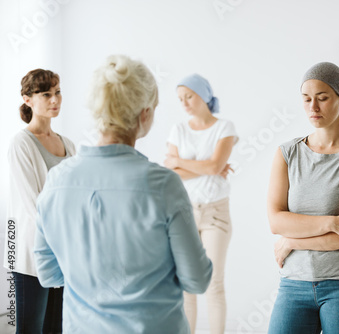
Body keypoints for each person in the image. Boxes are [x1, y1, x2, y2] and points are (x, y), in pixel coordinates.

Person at [33, 55, 213, 333]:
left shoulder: (56, 181)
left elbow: (48, 274)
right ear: (145, 114)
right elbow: (197, 280)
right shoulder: (163, 185)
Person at [267, 62, 339, 334]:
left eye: (322, 98)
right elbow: (276, 221)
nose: (313, 107)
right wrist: (332, 222)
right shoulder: (287, 154)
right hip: (294, 283)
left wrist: (291, 241)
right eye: (306, 99)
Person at [164, 73, 238, 334]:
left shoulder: (224, 127)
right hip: (183, 213)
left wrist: (181, 162)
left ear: (204, 96)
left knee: (214, 284)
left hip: (216, 213)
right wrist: (209, 167)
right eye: (180, 99)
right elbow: (172, 172)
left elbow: (215, 165)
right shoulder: (178, 129)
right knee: (186, 285)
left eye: (189, 96)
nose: (184, 103)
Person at [4, 68, 75, 333]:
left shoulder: (68, 143)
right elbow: (32, 205)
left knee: (56, 328)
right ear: (28, 99)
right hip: (31, 252)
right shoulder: (21, 143)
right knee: (30, 328)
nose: (55, 100)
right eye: (46, 94)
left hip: (65, 252)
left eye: (57, 92)